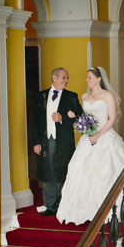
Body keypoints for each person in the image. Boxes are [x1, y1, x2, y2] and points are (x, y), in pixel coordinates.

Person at [56, 67, 124, 226]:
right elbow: (84, 118)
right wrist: (75, 117)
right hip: (88, 138)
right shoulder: (84, 96)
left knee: (107, 171)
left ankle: (109, 210)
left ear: (99, 79)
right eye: (87, 78)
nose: (87, 80)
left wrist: (98, 135)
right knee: (80, 171)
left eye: (90, 77)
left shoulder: (108, 96)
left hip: (104, 136)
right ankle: (84, 211)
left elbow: (111, 119)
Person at [31, 68, 83, 217]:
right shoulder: (41, 96)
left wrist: (63, 119)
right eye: (63, 77)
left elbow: (81, 119)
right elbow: (35, 121)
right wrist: (36, 142)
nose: (66, 80)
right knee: (48, 171)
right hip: (45, 141)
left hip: (64, 141)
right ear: (54, 78)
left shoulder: (72, 96)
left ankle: (62, 205)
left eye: (67, 78)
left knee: (62, 171)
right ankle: (50, 206)